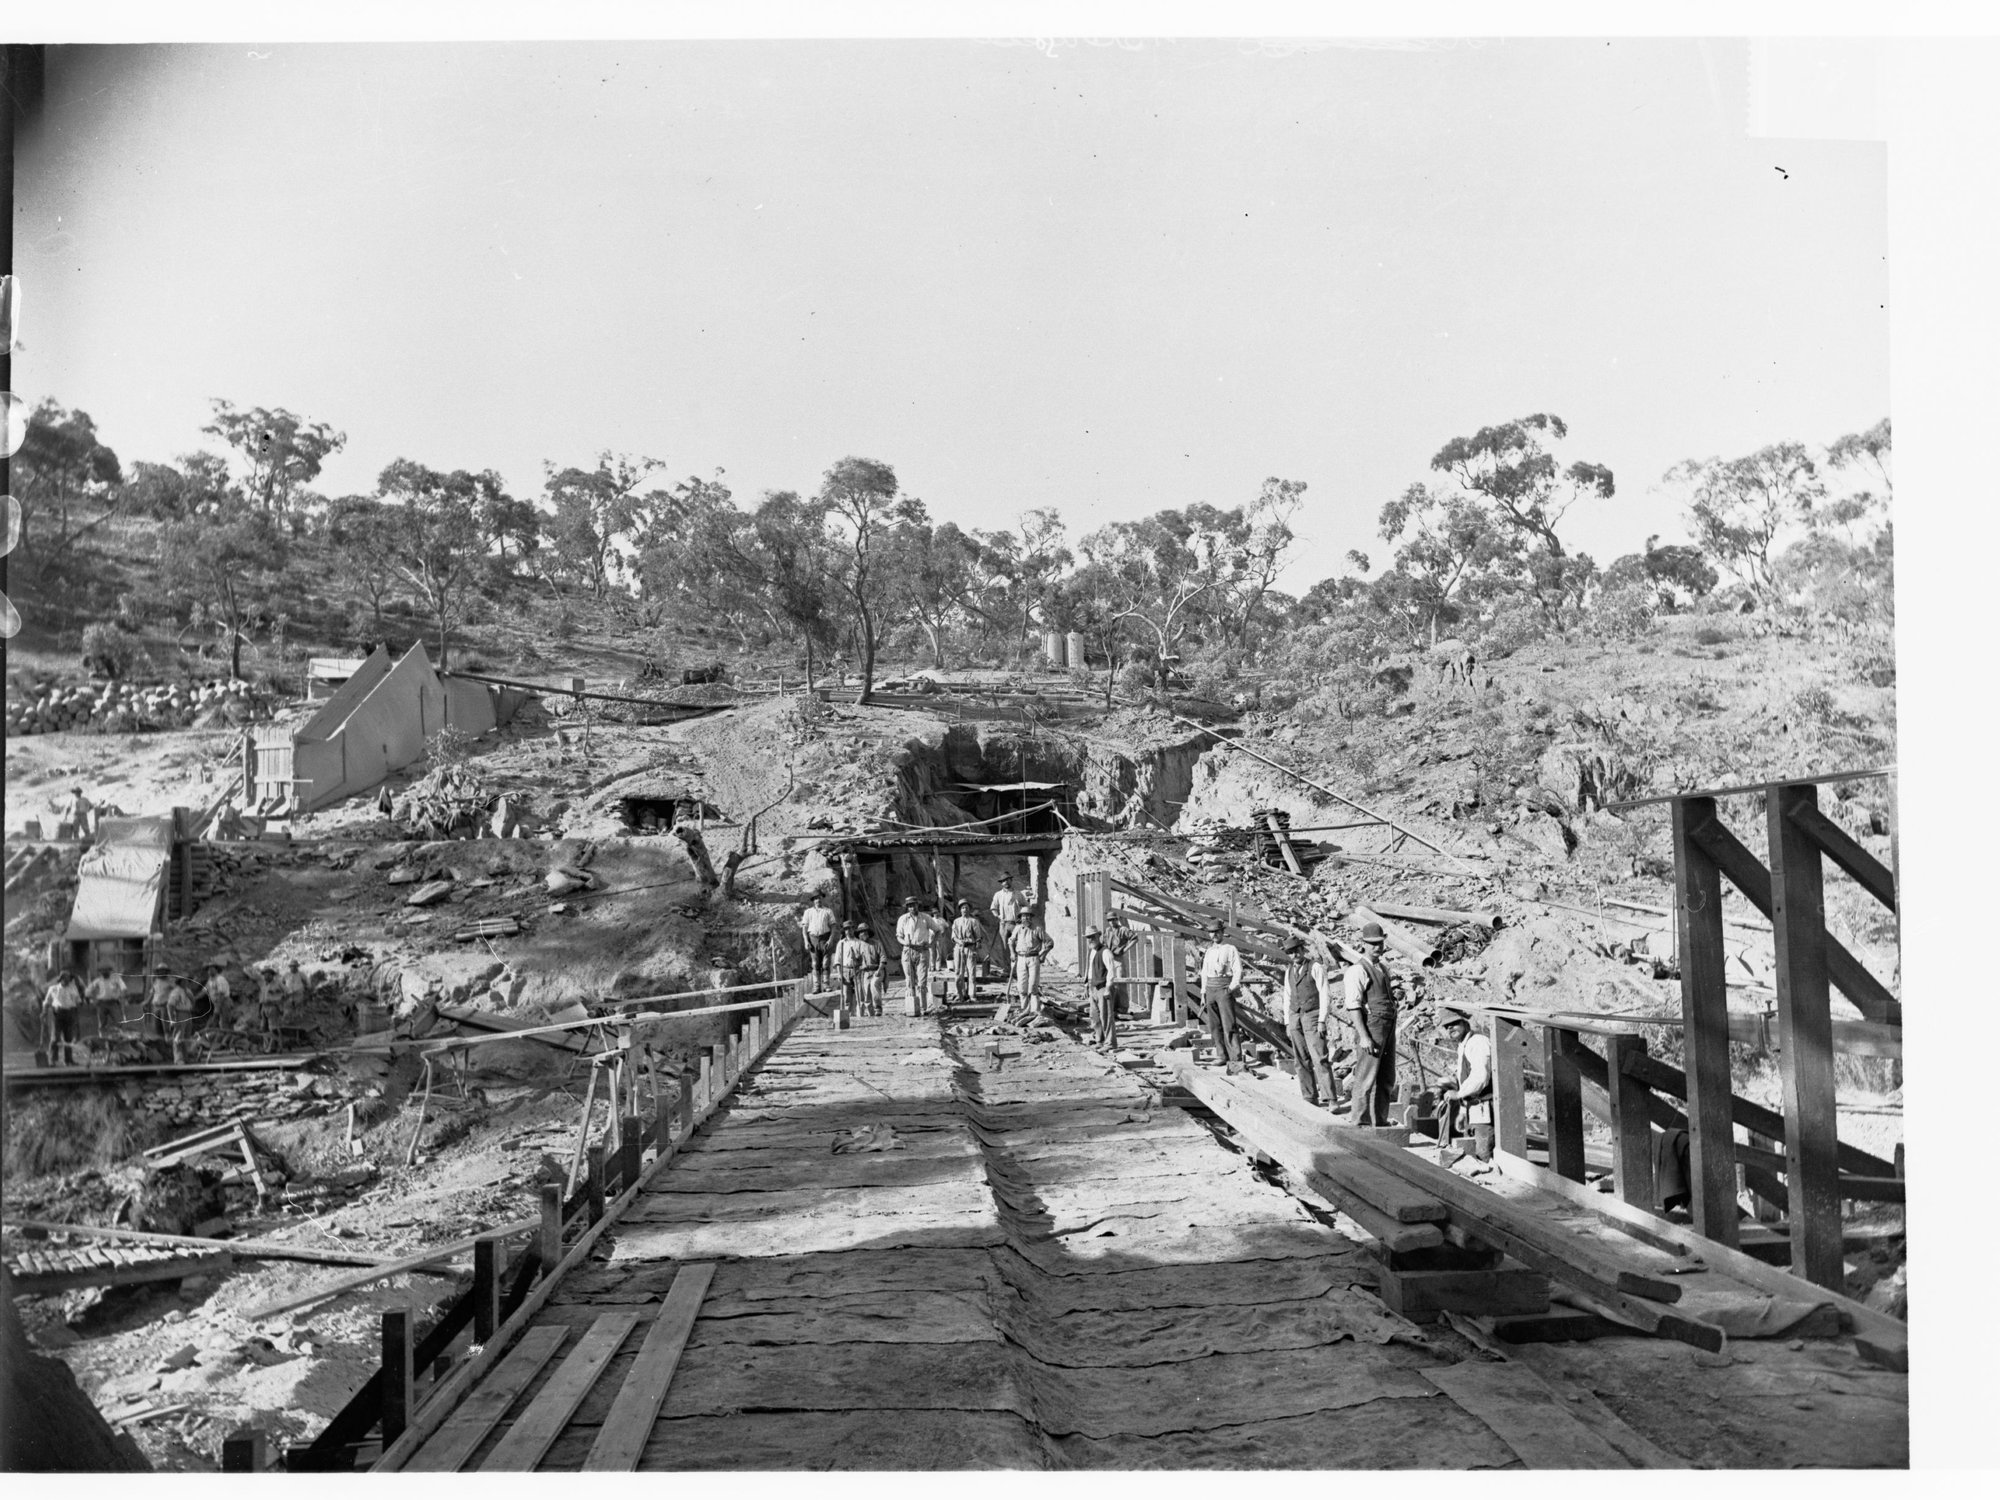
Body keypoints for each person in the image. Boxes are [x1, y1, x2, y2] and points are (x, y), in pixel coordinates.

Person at [1340, 922, 1398, 1126]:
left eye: (1380, 943)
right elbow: (1353, 1006)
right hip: (1372, 1028)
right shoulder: (1357, 970)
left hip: (1388, 1026)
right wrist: (1364, 1036)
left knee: (1386, 1077)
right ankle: (1360, 1123)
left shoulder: (1382, 968)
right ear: (1363, 944)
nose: (1377, 947)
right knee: (1365, 1078)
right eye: (1372, 944)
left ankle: (1379, 1122)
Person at [1281, 936, 1337, 1109]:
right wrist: (1287, 1022)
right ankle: (1309, 1098)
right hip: (1295, 1016)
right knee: (1300, 1059)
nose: (1294, 954)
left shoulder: (1315, 967)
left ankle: (1331, 1099)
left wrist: (1322, 1020)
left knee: (1319, 1057)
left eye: (1297, 950)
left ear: (1302, 950)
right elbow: (1287, 996)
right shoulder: (1289, 970)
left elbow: (1324, 993)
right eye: (1291, 952)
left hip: (1312, 1015)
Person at [1436, 1010, 1495, 1162]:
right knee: (1474, 1151)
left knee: (1484, 1153)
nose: (1450, 1028)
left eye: (1454, 1023)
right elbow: (1465, 1079)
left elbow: (1480, 1077)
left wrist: (1458, 1094)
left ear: (1465, 1023)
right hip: (1474, 1108)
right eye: (1447, 1026)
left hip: (1485, 1106)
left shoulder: (1478, 1042)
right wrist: (1463, 1111)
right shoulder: (1464, 1045)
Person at [1198, 921, 1246, 1074]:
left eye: (1217, 932)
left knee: (1229, 1025)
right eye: (1212, 932)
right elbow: (1204, 972)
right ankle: (1221, 1055)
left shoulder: (1230, 949)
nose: (1214, 935)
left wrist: (1231, 988)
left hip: (1224, 987)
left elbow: (1237, 970)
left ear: (1222, 932)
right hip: (1210, 988)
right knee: (1214, 1025)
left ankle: (1236, 1058)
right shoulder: (1209, 951)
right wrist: (1203, 993)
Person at [1008, 905, 1055, 1017]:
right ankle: (1024, 1010)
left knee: (1033, 987)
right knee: (1022, 987)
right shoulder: (1017, 928)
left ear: (1031, 918)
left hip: (1033, 958)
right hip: (1021, 958)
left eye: (1028, 916)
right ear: (1021, 917)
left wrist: (1043, 954)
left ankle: (1035, 1012)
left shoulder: (1037, 929)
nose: (1026, 919)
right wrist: (1012, 953)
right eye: (1024, 916)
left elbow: (1050, 943)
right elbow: (1010, 941)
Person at [895, 898, 937, 1016]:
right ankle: (911, 1007)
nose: (912, 908)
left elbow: (938, 930)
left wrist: (931, 943)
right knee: (909, 980)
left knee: (922, 981)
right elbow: (898, 936)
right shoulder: (903, 919)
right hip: (908, 951)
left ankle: (923, 1008)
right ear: (907, 907)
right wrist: (904, 942)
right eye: (909, 906)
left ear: (917, 905)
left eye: (914, 905)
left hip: (922, 951)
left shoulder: (925, 918)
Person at [147, 964, 194, 1062]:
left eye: (163, 971)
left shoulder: (171, 981)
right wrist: (146, 1002)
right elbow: (152, 993)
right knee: (158, 1031)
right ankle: (164, 1054)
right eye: (159, 971)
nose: (161, 973)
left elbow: (179, 990)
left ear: (166, 972)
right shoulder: (156, 981)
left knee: (167, 1032)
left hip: (166, 1007)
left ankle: (176, 1056)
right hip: (156, 1007)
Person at [989, 875, 1026, 999]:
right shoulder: (998, 895)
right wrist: (997, 916)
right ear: (1001, 883)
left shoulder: (1018, 894)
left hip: (1016, 923)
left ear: (1011, 880)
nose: (1005, 883)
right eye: (1003, 881)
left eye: (1007, 880)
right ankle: (1006, 969)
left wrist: (1022, 917)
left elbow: (1025, 905)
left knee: (1017, 946)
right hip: (1004, 924)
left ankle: (1017, 970)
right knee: (1005, 947)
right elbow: (993, 908)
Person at [41, 968, 86, 1066]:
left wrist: (76, 1011)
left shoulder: (73, 988)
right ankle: (52, 1059)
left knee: (68, 1037)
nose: (66, 981)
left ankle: (68, 1060)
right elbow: (46, 1002)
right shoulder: (53, 989)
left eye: (68, 979)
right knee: (55, 1038)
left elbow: (78, 1001)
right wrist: (44, 1012)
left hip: (70, 1013)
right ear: (60, 979)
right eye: (64, 979)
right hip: (57, 1014)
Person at [1084, 926, 1117, 1051]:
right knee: (1095, 1016)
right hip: (1093, 987)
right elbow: (1090, 971)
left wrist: (1108, 987)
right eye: (1088, 937)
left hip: (1103, 987)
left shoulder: (1105, 952)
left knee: (1106, 1017)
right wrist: (1087, 985)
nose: (1090, 939)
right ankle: (1100, 1040)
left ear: (1099, 936)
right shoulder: (1092, 951)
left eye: (1093, 937)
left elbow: (1111, 971)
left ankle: (1110, 1043)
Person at [800, 895, 838, 991]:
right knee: (815, 963)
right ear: (813, 900)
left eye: (819, 898)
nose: (818, 900)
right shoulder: (808, 912)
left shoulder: (828, 911)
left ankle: (826, 984)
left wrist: (830, 939)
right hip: (813, 939)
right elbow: (804, 928)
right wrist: (806, 941)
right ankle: (816, 986)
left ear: (822, 899)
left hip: (825, 938)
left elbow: (833, 927)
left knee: (825, 963)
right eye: (816, 898)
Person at [949, 900, 984, 1004]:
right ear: (960, 910)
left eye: (967, 908)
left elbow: (978, 937)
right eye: (963, 908)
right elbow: (953, 936)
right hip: (958, 948)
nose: (965, 910)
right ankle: (960, 993)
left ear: (969, 910)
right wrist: (959, 941)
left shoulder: (973, 921)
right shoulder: (956, 921)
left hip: (970, 948)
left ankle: (972, 994)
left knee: (971, 972)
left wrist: (976, 945)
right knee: (958, 972)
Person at [84, 964, 128, 1040]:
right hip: (102, 1004)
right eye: (102, 971)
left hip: (113, 1003)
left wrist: (121, 995)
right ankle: (103, 1039)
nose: (104, 972)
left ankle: (118, 1039)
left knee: (118, 1022)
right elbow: (87, 992)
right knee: (102, 1024)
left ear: (110, 971)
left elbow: (124, 988)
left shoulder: (116, 979)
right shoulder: (98, 981)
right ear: (100, 972)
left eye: (106, 970)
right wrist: (94, 999)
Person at [833, 921, 867, 1017]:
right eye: (847, 929)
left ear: (853, 929)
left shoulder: (859, 943)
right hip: (845, 970)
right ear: (844, 931)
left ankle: (860, 1015)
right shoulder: (841, 943)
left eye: (851, 928)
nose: (849, 931)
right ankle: (847, 1016)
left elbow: (863, 959)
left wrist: (856, 958)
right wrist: (839, 973)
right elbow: (838, 960)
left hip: (857, 970)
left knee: (859, 994)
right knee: (846, 996)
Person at [854, 925, 887, 1016]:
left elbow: (883, 958)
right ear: (859, 935)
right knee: (866, 994)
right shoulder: (858, 945)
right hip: (865, 972)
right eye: (861, 932)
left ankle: (878, 1008)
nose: (863, 934)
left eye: (865, 932)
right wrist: (855, 959)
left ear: (868, 933)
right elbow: (856, 961)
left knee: (874, 985)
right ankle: (870, 1013)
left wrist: (879, 970)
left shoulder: (877, 943)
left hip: (877, 970)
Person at [203, 961, 234, 1035]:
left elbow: (221, 994)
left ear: (216, 969)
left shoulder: (220, 979)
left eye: (212, 969)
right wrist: (194, 998)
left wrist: (217, 1007)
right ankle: (223, 1038)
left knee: (225, 1022)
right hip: (217, 1003)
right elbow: (204, 991)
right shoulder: (210, 981)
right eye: (208, 969)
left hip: (224, 1002)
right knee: (220, 1022)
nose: (209, 971)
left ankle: (228, 1040)